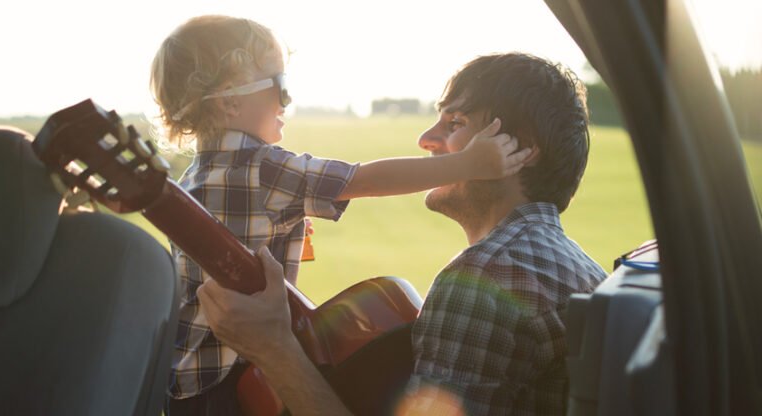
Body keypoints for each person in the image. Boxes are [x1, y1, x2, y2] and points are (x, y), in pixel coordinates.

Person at [149, 16, 531, 416]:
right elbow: (364, 179)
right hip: (236, 380)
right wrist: (467, 164)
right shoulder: (265, 169)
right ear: (230, 99)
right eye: (280, 87)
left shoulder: (192, 181)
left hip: (187, 384)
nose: (287, 102)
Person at [197, 52, 608, 416]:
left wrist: (274, 349)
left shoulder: (485, 280)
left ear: (521, 150)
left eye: (455, 122)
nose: (426, 139)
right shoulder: (577, 266)